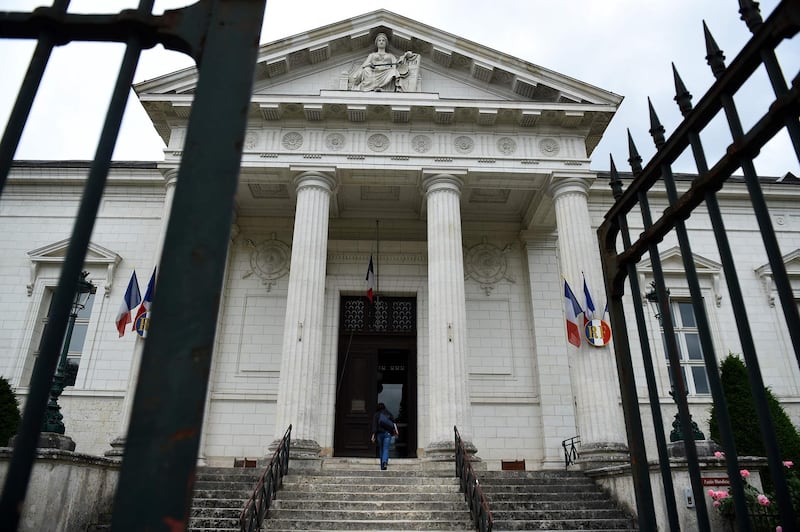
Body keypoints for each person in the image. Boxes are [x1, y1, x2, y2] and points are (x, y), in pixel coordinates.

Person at [349, 33, 420, 92]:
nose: (381, 42)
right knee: (366, 70)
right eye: (379, 40)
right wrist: (370, 65)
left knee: (392, 72)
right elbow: (364, 65)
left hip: (386, 72)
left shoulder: (390, 56)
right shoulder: (372, 55)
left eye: (383, 40)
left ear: (386, 43)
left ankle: (383, 88)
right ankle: (371, 87)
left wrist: (405, 57)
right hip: (374, 71)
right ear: (377, 43)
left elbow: (396, 66)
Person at [371, 402, 397, 470]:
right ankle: (385, 462)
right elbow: (393, 423)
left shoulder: (376, 414)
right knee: (386, 449)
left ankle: (382, 466)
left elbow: (374, 426)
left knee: (381, 449)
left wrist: (373, 435)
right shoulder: (389, 413)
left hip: (379, 434)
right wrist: (394, 431)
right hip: (387, 434)